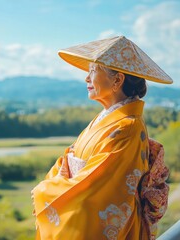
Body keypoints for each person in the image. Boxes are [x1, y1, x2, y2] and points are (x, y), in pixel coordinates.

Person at [31, 36, 171, 240]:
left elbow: (96, 188)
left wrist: (47, 190)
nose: (86, 78)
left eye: (93, 71)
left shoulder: (127, 126)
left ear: (117, 80)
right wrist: (58, 178)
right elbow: (69, 159)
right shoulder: (110, 118)